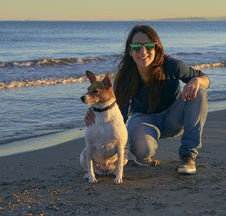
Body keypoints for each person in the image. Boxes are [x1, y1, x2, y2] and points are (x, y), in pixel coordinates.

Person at [84, 24, 209, 174]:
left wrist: (197, 81)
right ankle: (139, 154)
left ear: (156, 48)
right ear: (130, 51)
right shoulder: (125, 77)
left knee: (199, 90)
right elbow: (117, 115)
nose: (143, 51)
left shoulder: (172, 65)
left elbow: (204, 79)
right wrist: (96, 112)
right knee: (142, 151)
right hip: (144, 120)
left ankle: (188, 155)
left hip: (173, 118)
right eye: (136, 47)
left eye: (149, 46)